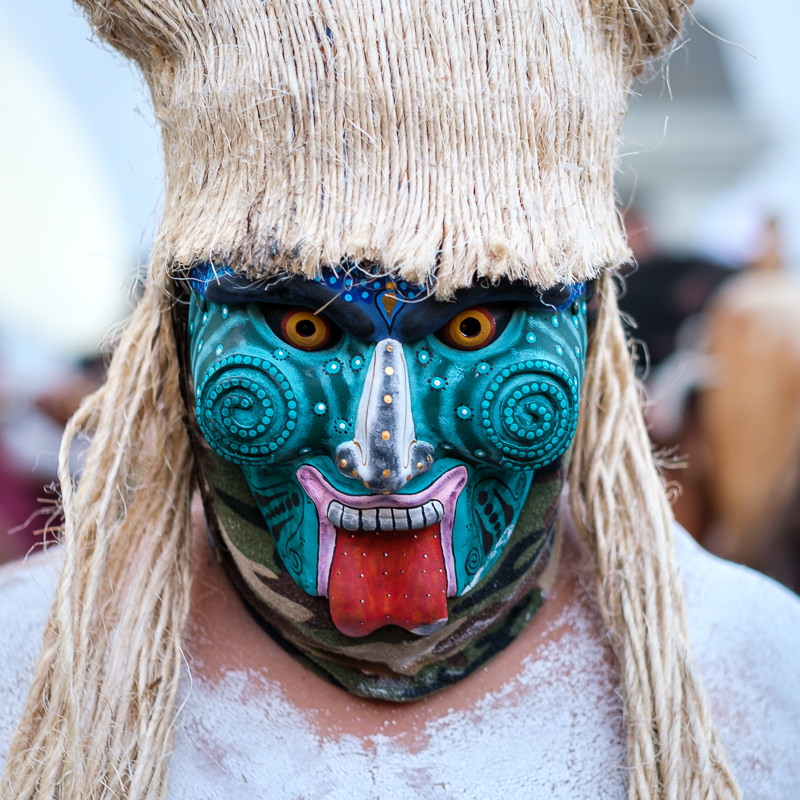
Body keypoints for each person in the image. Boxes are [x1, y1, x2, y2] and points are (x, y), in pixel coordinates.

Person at [1, 1, 799, 798]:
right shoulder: (27, 673)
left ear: (589, 326)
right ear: (178, 328)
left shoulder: (758, 679)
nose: (385, 454)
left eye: (474, 326)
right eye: (305, 328)